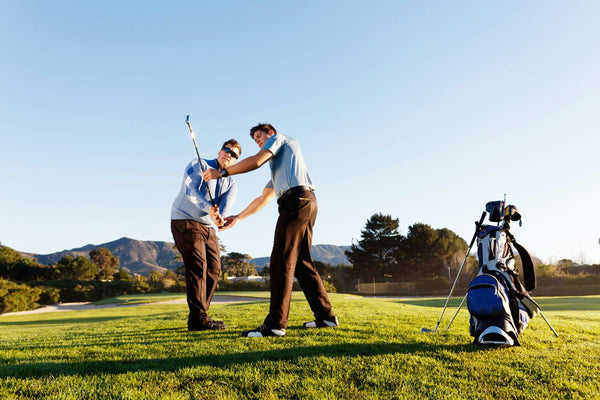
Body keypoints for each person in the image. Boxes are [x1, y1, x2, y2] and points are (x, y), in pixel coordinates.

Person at [202, 123, 338, 338]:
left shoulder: (281, 139)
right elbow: (264, 198)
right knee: (302, 263)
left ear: (271, 134)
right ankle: (326, 317)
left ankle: (275, 325)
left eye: (260, 136)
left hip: (297, 201)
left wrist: (220, 173)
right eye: (255, 139)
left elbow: (256, 161)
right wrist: (237, 218)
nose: (258, 141)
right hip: (305, 201)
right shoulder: (280, 167)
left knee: (281, 261)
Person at [171, 139, 241, 331]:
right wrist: (208, 207)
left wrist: (220, 219)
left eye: (234, 155)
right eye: (227, 151)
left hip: (208, 226)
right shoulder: (199, 164)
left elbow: (224, 210)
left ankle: (200, 316)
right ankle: (199, 319)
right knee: (198, 266)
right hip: (184, 220)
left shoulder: (231, 183)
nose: (229, 155)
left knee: (214, 269)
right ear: (220, 151)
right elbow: (189, 190)